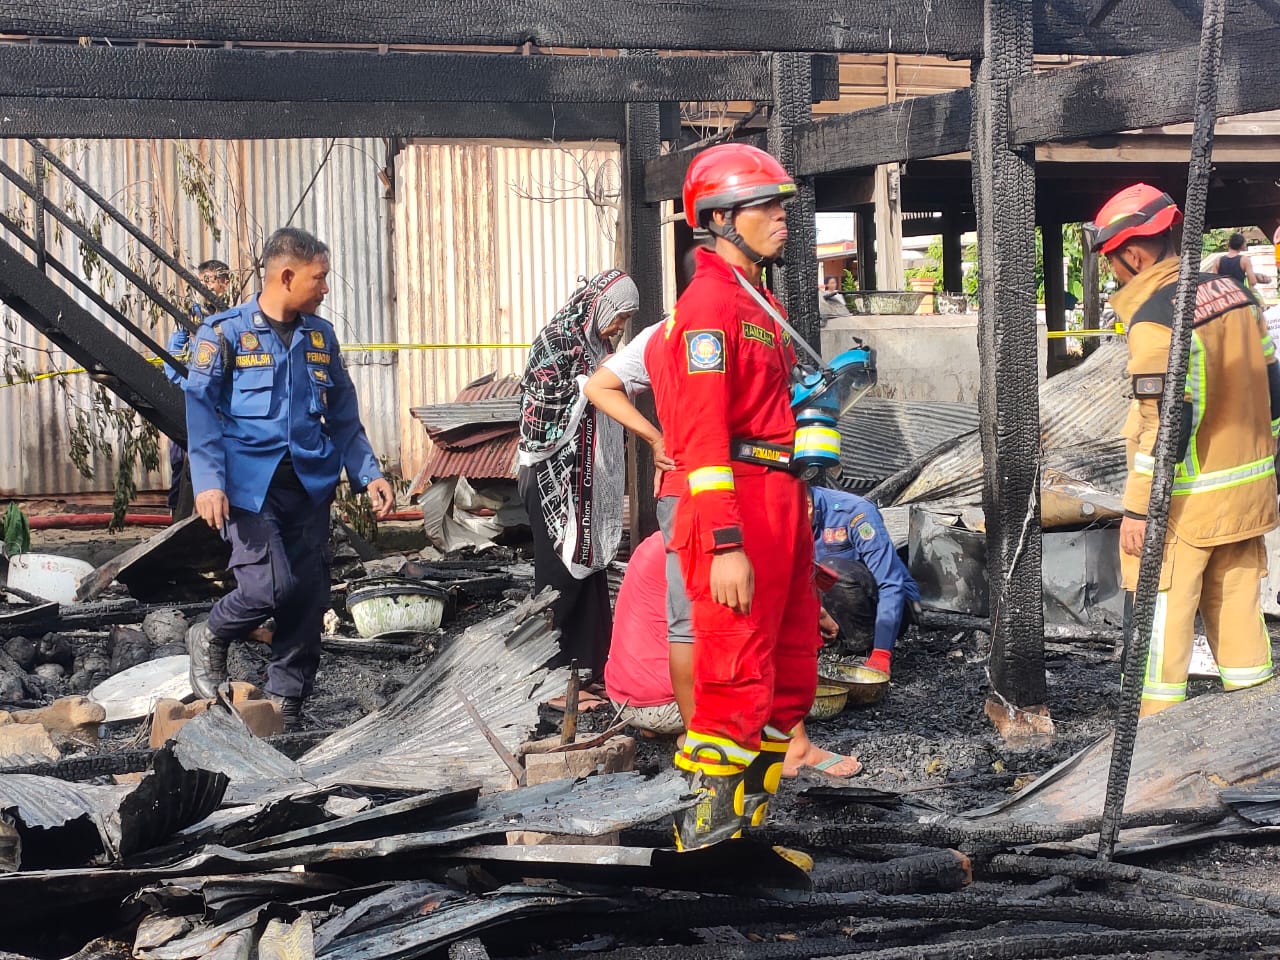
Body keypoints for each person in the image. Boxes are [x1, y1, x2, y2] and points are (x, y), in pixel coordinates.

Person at [656, 142, 820, 849]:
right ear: (720, 217)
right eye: (767, 206)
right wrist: (724, 542)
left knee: (788, 673)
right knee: (731, 671)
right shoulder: (708, 306)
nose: (783, 217)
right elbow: (701, 436)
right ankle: (703, 841)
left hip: (778, 497)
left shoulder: (759, 303)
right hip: (736, 506)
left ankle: (747, 833)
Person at [183, 228, 393, 727]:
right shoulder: (223, 333)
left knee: (308, 592)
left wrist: (369, 472)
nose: (325, 288)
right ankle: (211, 633)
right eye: (319, 278)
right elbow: (202, 412)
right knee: (267, 587)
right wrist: (208, 481)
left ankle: (287, 701)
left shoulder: (319, 336)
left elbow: (343, 414)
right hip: (249, 485)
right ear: (287, 275)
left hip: (310, 481)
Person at [1085, 184, 1280, 717]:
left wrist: (1137, 509)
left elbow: (1164, 426)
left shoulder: (1155, 319)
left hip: (1184, 509)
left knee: (1159, 640)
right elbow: (1273, 384)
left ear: (1134, 253)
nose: (1113, 275)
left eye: (1111, 262)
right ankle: (1256, 742)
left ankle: (1151, 756)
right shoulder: (1237, 294)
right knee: (1240, 626)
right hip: (1247, 497)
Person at [604, 530, 861, 776]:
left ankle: (681, 732)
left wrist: (818, 611)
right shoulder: (722, 553)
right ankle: (795, 749)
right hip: (668, 705)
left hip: (626, 702)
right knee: (773, 637)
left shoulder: (663, 538)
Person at [517, 270, 638, 683]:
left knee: (590, 575)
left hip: (588, 482)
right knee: (559, 577)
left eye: (625, 319)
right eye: (618, 316)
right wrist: (593, 383)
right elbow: (543, 406)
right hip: (553, 477)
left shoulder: (599, 345)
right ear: (599, 306)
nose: (619, 327)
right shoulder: (557, 341)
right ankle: (552, 679)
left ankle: (591, 671)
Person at [810, 486, 919, 677]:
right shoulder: (786, 518)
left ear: (808, 507)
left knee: (830, 569)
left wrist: (882, 652)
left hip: (891, 606)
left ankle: (863, 646)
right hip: (834, 607)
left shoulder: (855, 512)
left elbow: (891, 583)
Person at [164, 260, 233, 521]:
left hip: (219, 405)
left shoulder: (231, 317)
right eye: (203, 280)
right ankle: (176, 518)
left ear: (225, 284)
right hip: (192, 398)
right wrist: (188, 385)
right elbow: (173, 357)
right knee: (181, 461)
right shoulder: (190, 316)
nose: (208, 286)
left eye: (214, 280)